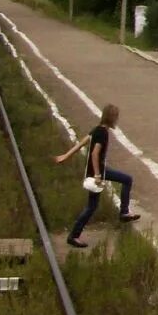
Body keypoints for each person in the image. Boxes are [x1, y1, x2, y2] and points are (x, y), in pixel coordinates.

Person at [54, 103, 139, 249]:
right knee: (92, 206)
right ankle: (74, 236)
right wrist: (98, 175)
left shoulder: (96, 129)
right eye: (116, 117)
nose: (117, 120)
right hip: (97, 173)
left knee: (122, 183)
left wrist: (66, 156)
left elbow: (81, 143)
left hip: (98, 171)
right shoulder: (103, 133)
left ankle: (124, 212)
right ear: (111, 118)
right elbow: (94, 153)